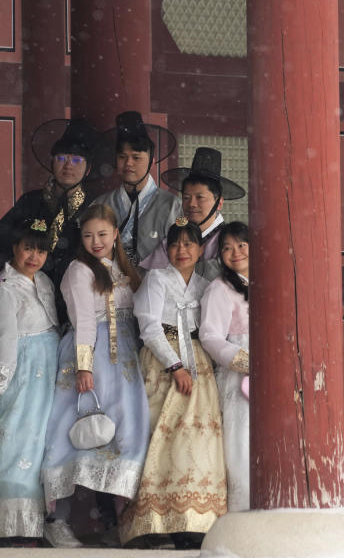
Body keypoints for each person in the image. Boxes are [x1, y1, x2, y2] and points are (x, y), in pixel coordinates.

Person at [40, 204, 150, 548]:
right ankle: (56, 519)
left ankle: (120, 522)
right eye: (88, 235)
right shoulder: (78, 270)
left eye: (102, 234)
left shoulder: (121, 267)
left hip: (125, 360)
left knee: (127, 435)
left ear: (116, 233)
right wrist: (84, 366)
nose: (96, 241)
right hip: (93, 355)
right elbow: (84, 321)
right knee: (74, 432)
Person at [120, 219, 227, 548]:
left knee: (197, 440)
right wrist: (175, 365)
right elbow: (149, 327)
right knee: (158, 437)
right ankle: (152, 523)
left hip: (198, 361)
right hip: (163, 361)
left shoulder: (205, 283)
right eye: (176, 244)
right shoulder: (156, 279)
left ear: (200, 249)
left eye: (189, 244)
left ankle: (192, 520)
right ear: (167, 248)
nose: (183, 250)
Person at [0, 218, 61, 543]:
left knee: (40, 442)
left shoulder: (45, 282)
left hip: (47, 370)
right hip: (22, 371)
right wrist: (0, 383)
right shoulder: (3, 289)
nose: (34, 257)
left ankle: (36, 523)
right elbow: (6, 339)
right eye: (28, 248)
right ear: (15, 248)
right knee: (15, 439)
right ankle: (13, 526)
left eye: (40, 250)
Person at [0, 118, 98, 324]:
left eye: (76, 160)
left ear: (88, 169)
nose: (68, 165)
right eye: (62, 158)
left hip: (76, 301)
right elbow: (4, 246)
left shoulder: (94, 207)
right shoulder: (30, 201)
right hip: (30, 301)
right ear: (51, 162)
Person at [199, 221, 251, 513]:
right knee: (241, 440)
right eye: (227, 248)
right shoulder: (219, 289)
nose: (235, 253)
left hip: (275, 373)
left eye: (241, 245)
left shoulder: (271, 279)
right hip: (238, 374)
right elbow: (210, 336)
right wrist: (246, 362)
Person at [140, 146, 245, 280]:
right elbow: (145, 276)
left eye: (200, 197)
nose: (191, 204)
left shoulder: (230, 241)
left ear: (219, 203)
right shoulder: (174, 238)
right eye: (186, 198)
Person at [91, 111, 181, 267]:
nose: (128, 163)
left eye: (136, 157)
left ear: (152, 161)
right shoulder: (100, 205)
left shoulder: (172, 206)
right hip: (108, 288)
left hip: (156, 288)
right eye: (122, 157)